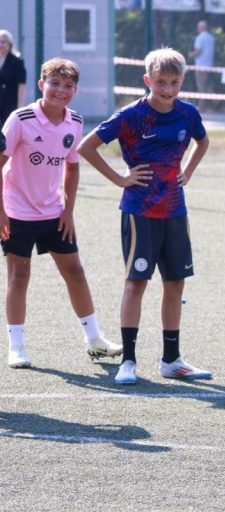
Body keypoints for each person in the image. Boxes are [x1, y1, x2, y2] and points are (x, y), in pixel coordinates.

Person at [77, 48, 212, 385]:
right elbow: (86, 147)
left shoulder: (187, 113)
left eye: (174, 82)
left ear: (182, 81)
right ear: (147, 80)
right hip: (140, 211)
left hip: (175, 210)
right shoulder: (130, 116)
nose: (167, 89)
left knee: (175, 282)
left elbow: (202, 141)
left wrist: (189, 171)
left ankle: (171, 360)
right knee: (136, 283)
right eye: (161, 82)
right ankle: (129, 361)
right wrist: (121, 179)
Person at [0, 58, 120, 369]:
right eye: (54, 84)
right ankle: (16, 346)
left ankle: (94, 339)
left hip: (53, 213)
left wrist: (68, 210)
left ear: (75, 90)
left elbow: (72, 165)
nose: (60, 90)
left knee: (75, 272)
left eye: (67, 86)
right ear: (42, 85)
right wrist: (1, 212)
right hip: (17, 212)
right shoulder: (20, 119)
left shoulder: (76, 121)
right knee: (19, 274)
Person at [0, 30, 27, 128]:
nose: (1, 45)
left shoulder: (17, 61)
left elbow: (22, 85)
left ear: (10, 44)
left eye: (3, 42)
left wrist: (20, 107)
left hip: (10, 104)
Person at [189, 20, 215, 112]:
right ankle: (215, 98)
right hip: (209, 64)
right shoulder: (211, 38)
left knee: (201, 87)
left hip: (200, 65)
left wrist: (190, 55)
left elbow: (198, 51)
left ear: (201, 28)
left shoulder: (199, 38)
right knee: (204, 85)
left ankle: (202, 106)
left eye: (198, 27)